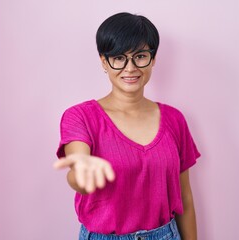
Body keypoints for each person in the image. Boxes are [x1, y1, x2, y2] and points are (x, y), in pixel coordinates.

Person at [53, 12, 201, 240]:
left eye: (140, 56)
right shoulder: (80, 116)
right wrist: (81, 172)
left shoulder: (175, 119)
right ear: (104, 61)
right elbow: (78, 173)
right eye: (119, 58)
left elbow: (186, 198)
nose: (130, 68)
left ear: (153, 59)